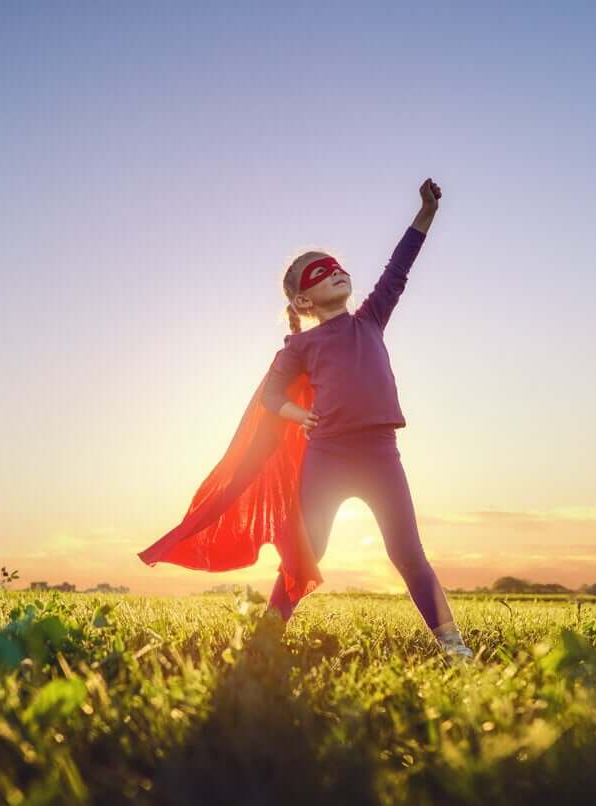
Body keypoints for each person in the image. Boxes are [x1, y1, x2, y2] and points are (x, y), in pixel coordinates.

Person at [139, 178, 474, 663]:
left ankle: (453, 645)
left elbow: (398, 270)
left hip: (382, 455)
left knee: (408, 553)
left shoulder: (371, 318)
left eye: (337, 266)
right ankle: (265, 641)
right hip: (328, 457)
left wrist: (425, 214)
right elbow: (273, 396)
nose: (336, 272)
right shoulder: (300, 346)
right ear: (302, 302)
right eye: (321, 271)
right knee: (306, 553)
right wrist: (299, 414)